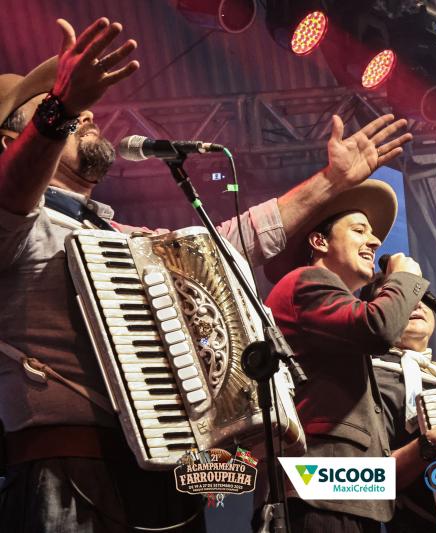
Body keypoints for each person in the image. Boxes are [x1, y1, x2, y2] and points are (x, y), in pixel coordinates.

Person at [0, 16, 411, 533]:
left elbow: (229, 243)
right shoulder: (16, 223)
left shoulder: (122, 234)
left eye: (76, 109)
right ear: (11, 141)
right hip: (68, 473)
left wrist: (331, 183)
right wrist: (58, 109)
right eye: (54, 111)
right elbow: (12, 193)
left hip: (163, 480)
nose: (84, 115)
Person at [263, 179, 429, 532]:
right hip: (319, 493)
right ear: (319, 241)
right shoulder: (307, 281)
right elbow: (378, 328)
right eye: (359, 230)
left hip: (342, 493)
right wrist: (405, 280)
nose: (375, 241)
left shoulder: (328, 307)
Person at [364, 283, 436, 532]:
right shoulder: (368, 380)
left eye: (423, 296)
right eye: (402, 296)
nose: (417, 302)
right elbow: (361, 481)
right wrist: (429, 445)